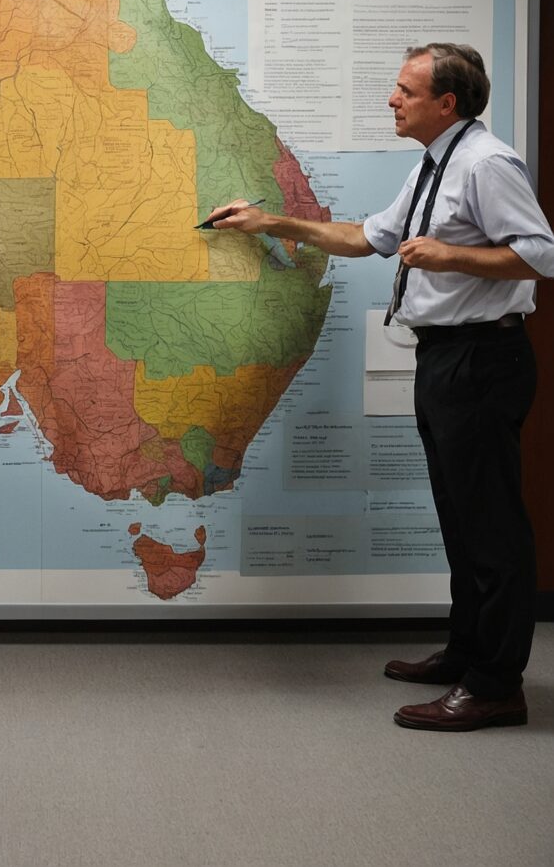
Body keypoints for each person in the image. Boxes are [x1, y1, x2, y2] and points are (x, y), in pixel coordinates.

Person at [206, 42, 554, 731]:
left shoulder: (487, 163)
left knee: (491, 529)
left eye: (404, 90)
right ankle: (466, 652)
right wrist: (270, 221)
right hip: (446, 362)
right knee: (461, 520)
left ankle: (495, 686)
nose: (391, 101)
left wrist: (451, 254)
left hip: (483, 363)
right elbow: (370, 238)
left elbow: (541, 253)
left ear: (445, 103)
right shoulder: (436, 164)